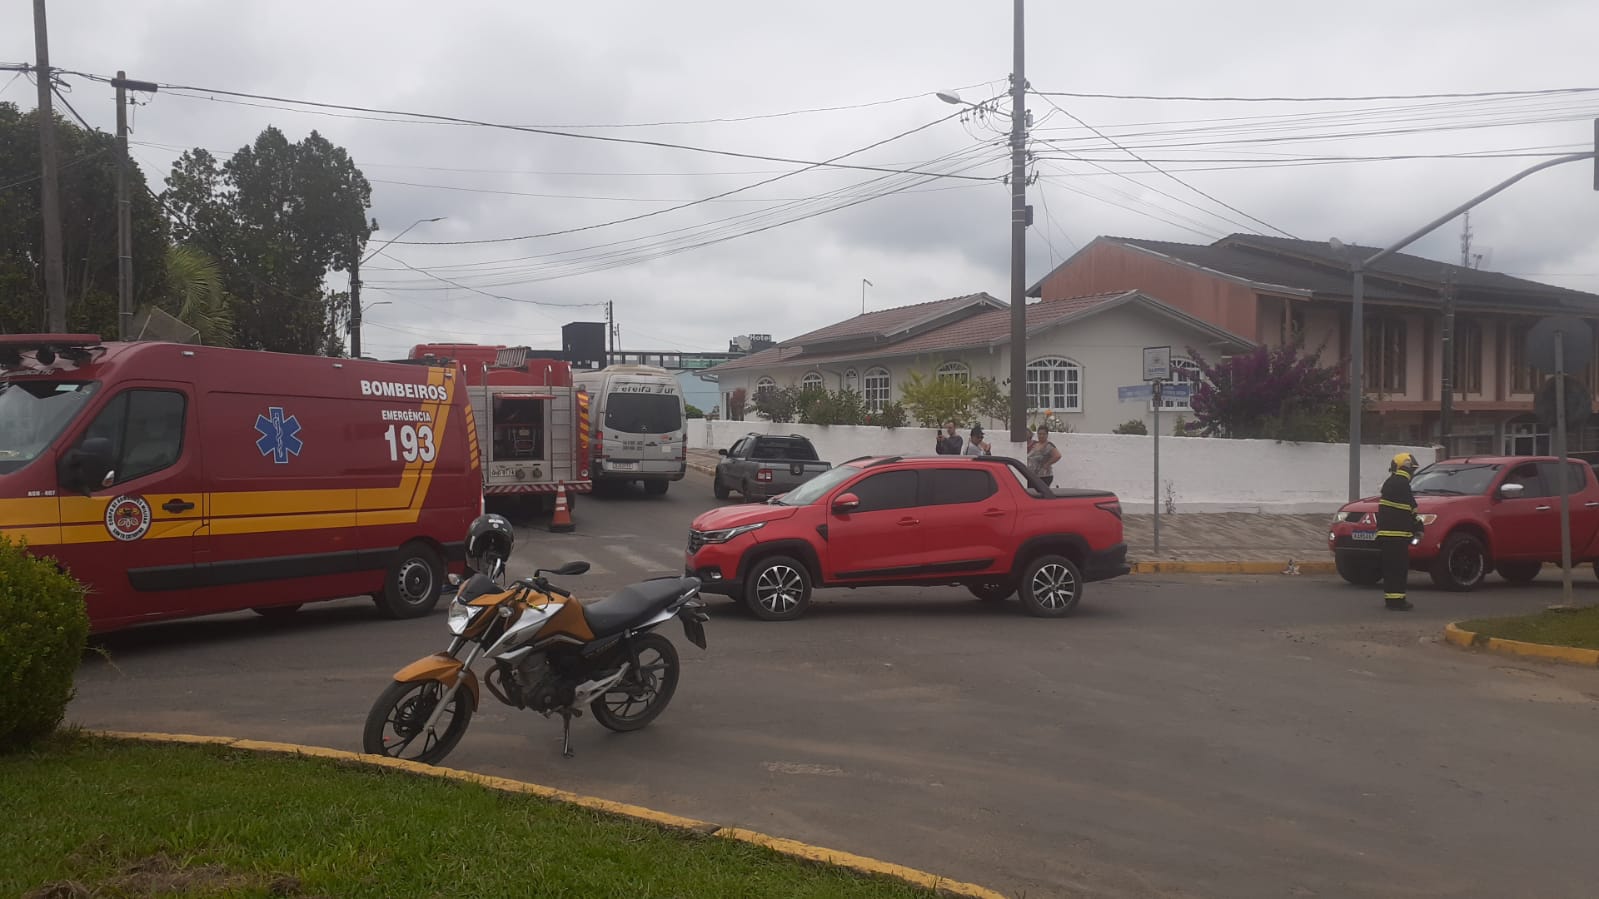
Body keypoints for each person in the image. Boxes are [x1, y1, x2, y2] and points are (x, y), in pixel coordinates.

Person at [1376, 452, 1423, 612]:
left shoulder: (1390, 483)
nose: (1413, 473)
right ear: (1408, 467)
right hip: (1398, 536)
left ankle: (1391, 599)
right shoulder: (1402, 484)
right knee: (1399, 569)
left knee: (1390, 569)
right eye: (1413, 470)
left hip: (1387, 535)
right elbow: (1410, 510)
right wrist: (1419, 527)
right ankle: (1398, 601)